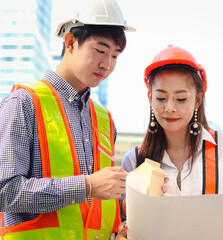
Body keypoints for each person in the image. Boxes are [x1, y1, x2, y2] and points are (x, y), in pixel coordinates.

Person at [0, 0, 135, 239]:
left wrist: (129, 214)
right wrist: (86, 186)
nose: (107, 64)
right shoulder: (23, 103)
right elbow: (5, 192)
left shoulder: (104, 120)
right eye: (100, 51)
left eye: (115, 55)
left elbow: (97, 207)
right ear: (70, 42)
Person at [120, 45, 223, 239]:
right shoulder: (134, 160)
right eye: (161, 98)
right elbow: (129, 226)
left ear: (198, 100)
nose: (169, 108)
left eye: (181, 99)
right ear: (150, 98)